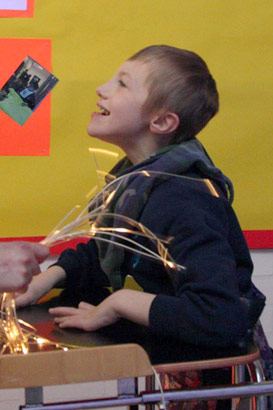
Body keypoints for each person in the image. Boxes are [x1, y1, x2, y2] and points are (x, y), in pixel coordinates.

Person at [15, 45, 264, 409]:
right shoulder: (138, 182)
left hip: (212, 389)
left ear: (162, 121)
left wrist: (119, 302)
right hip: (164, 375)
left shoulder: (183, 199)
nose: (101, 88)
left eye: (122, 84)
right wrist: (46, 279)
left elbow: (218, 316)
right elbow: (110, 250)